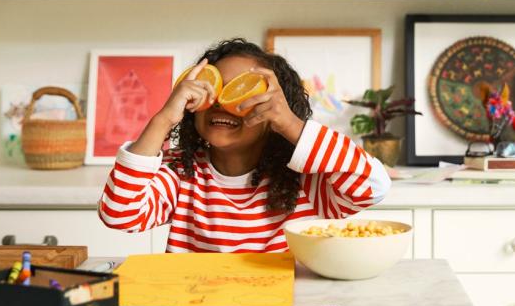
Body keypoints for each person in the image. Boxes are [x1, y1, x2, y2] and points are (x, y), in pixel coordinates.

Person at [97, 38, 392, 252]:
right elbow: (119, 214)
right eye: (212, 91)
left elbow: (373, 187)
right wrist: (163, 118)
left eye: (242, 94)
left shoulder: (307, 180)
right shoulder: (180, 173)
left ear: (273, 113)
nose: (223, 104)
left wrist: (291, 124)